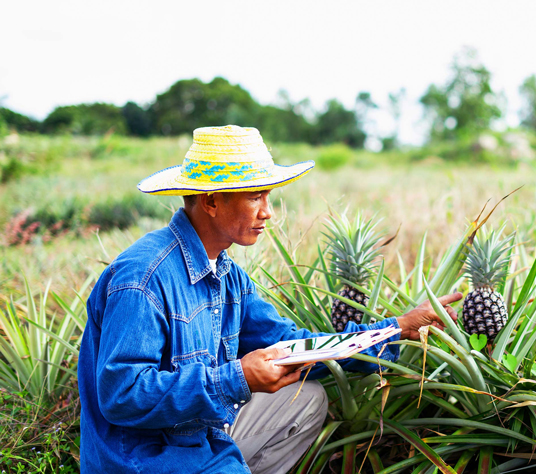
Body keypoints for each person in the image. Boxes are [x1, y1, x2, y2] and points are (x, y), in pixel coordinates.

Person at [78, 125, 462, 473]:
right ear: (211, 202)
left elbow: (291, 345)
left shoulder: (228, 277)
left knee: (305, 400)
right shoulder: (143, 278)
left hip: (197, 434)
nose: (268, 213)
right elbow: (123, 394)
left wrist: (395, 329)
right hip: (143, 458)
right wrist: (236, 378)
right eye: (256, 197)